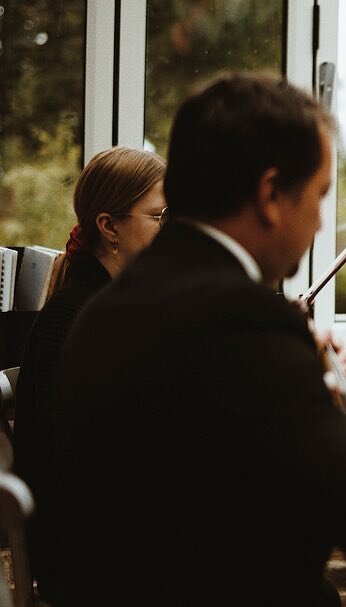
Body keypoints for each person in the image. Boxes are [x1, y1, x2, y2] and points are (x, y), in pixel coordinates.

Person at [50, 73, 346, 606]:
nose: (318, 223)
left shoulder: (109, 308)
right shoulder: (245, 325)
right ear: (270, 195)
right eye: (320, 195)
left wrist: (306, 392)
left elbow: (215, 477)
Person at [14, 146, 166, 600]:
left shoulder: (123, 307)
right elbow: (97, 466)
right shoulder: (79, 317)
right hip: (94, 556)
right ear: (108, 226)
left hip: (122, 532)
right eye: (159, 217)